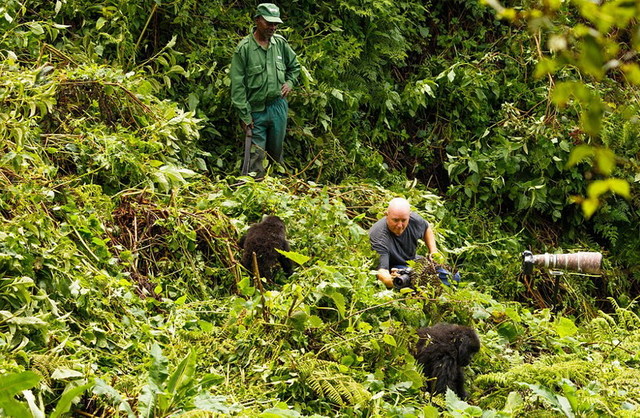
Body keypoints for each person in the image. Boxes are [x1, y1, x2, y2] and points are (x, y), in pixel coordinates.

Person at [230, 3, 301, 177]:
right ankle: (255, 190)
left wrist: (290, 83)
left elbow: (295, 66)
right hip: (256, 111)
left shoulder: (280, 44)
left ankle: (277, 189)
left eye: (276, 24)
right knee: (256, 155)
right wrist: (245, 115)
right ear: (257, 20)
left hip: (278, 107)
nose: (273, 27)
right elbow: (237, 86)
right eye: (269, 23)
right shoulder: (244, 49)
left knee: (276, 153)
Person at [369, 198, 441, 288]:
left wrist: (433, 251)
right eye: (395, 220)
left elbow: (426, 228)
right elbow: (381, 272)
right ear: (386, 215)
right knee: (408, 281)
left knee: (451, 275)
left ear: (409, 217)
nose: (399, 225)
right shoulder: (379, 236)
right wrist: (392, 280)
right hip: (395, 268)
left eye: (403, 220)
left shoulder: (414, 220)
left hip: (412, 261)